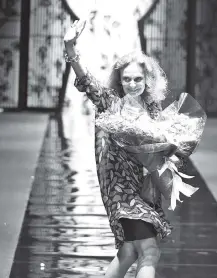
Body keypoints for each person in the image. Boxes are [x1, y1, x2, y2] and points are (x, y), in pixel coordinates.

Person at [64, 20, 172, 278]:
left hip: (145, 190)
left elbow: (163, 148)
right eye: (127, 79)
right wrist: (70, 47)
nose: (132, 84)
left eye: (137, 78)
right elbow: (86, 80)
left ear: (147, 79)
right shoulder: (110, 103)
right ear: (119, 82)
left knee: (128, 253)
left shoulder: (154, 109)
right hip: (121, 191)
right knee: (149, 252)